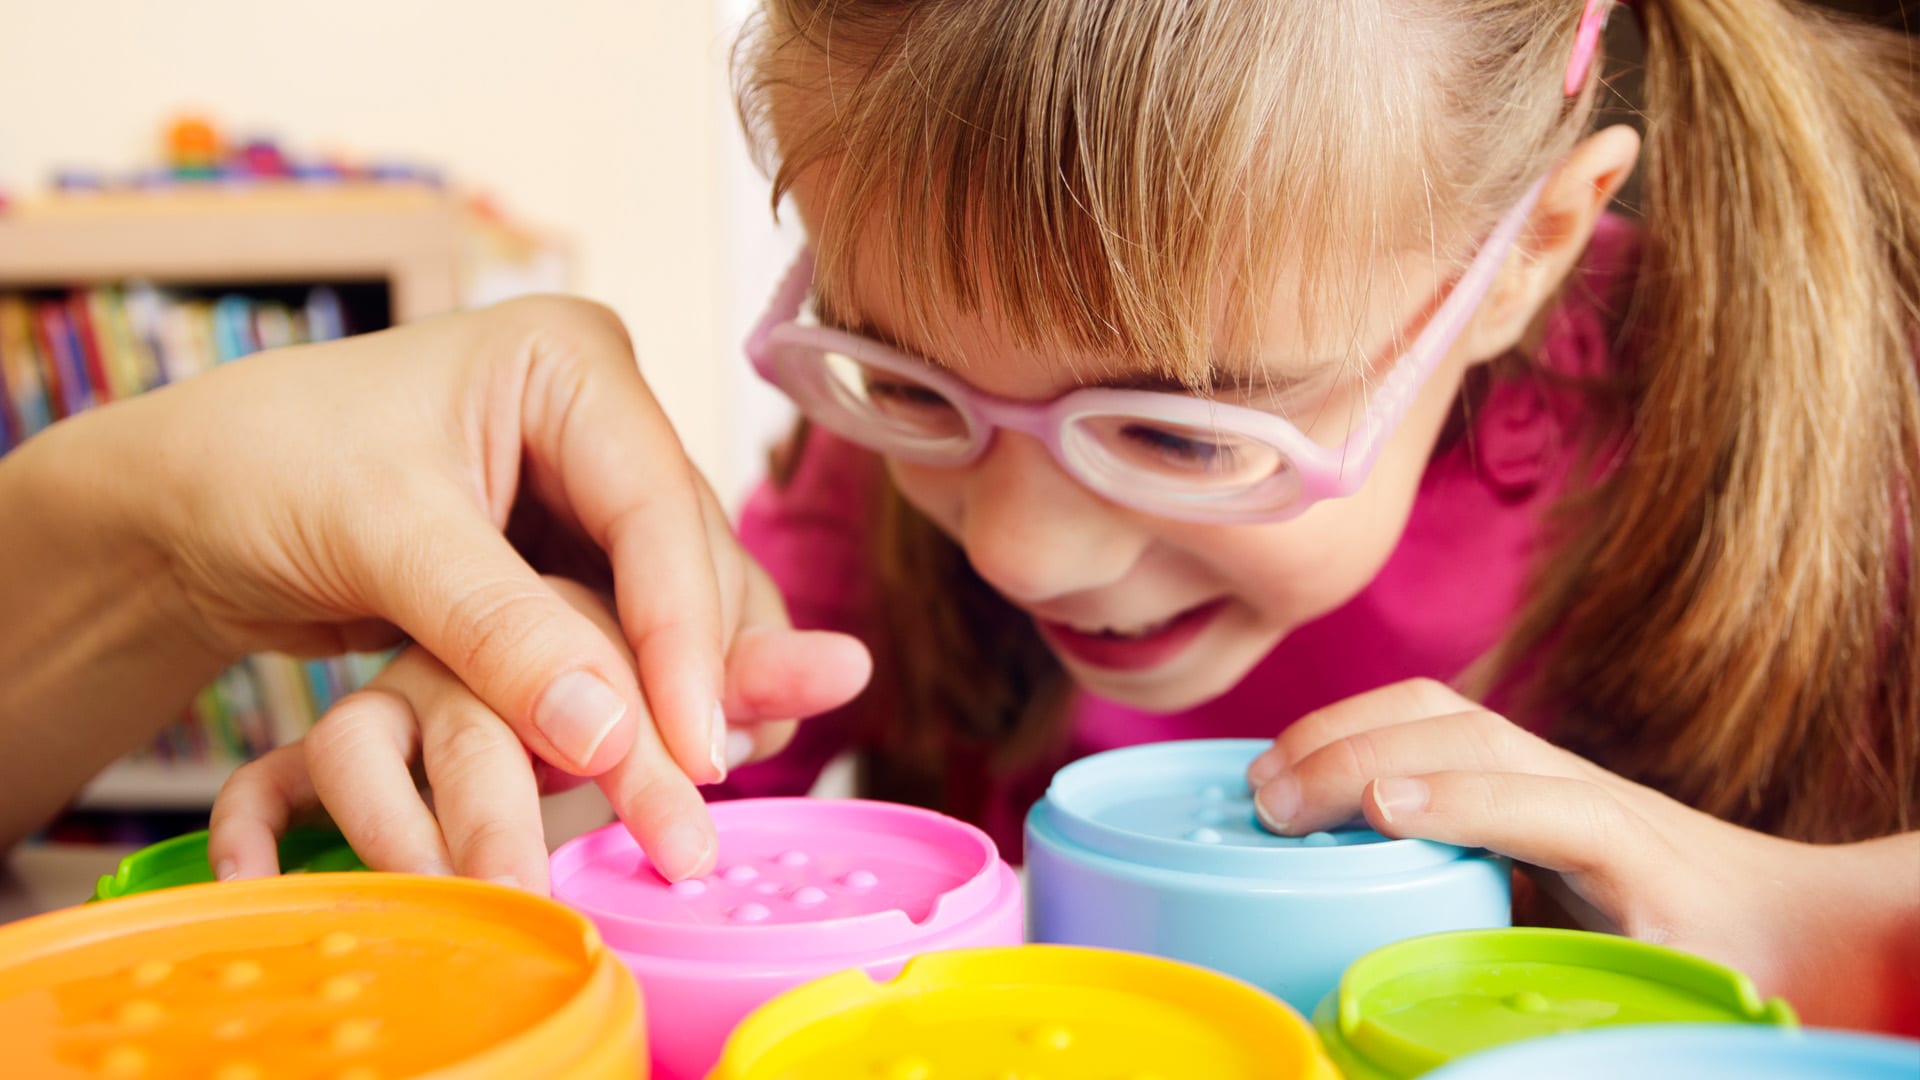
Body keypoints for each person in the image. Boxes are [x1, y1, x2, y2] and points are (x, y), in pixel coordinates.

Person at [210, 0, 1919, 1032]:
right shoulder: (862, 499)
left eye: (1183, 431)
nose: (1021, 551)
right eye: (903, 377)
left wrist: (1806, 909)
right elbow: (704, 760)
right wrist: (551, 738)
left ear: (1528, 252)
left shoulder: (1846, 399)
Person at [0, 295, 870, 878]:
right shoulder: (840, 511)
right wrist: (526, 660)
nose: (1010, 550)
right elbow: (685, 823)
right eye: (912, 385)